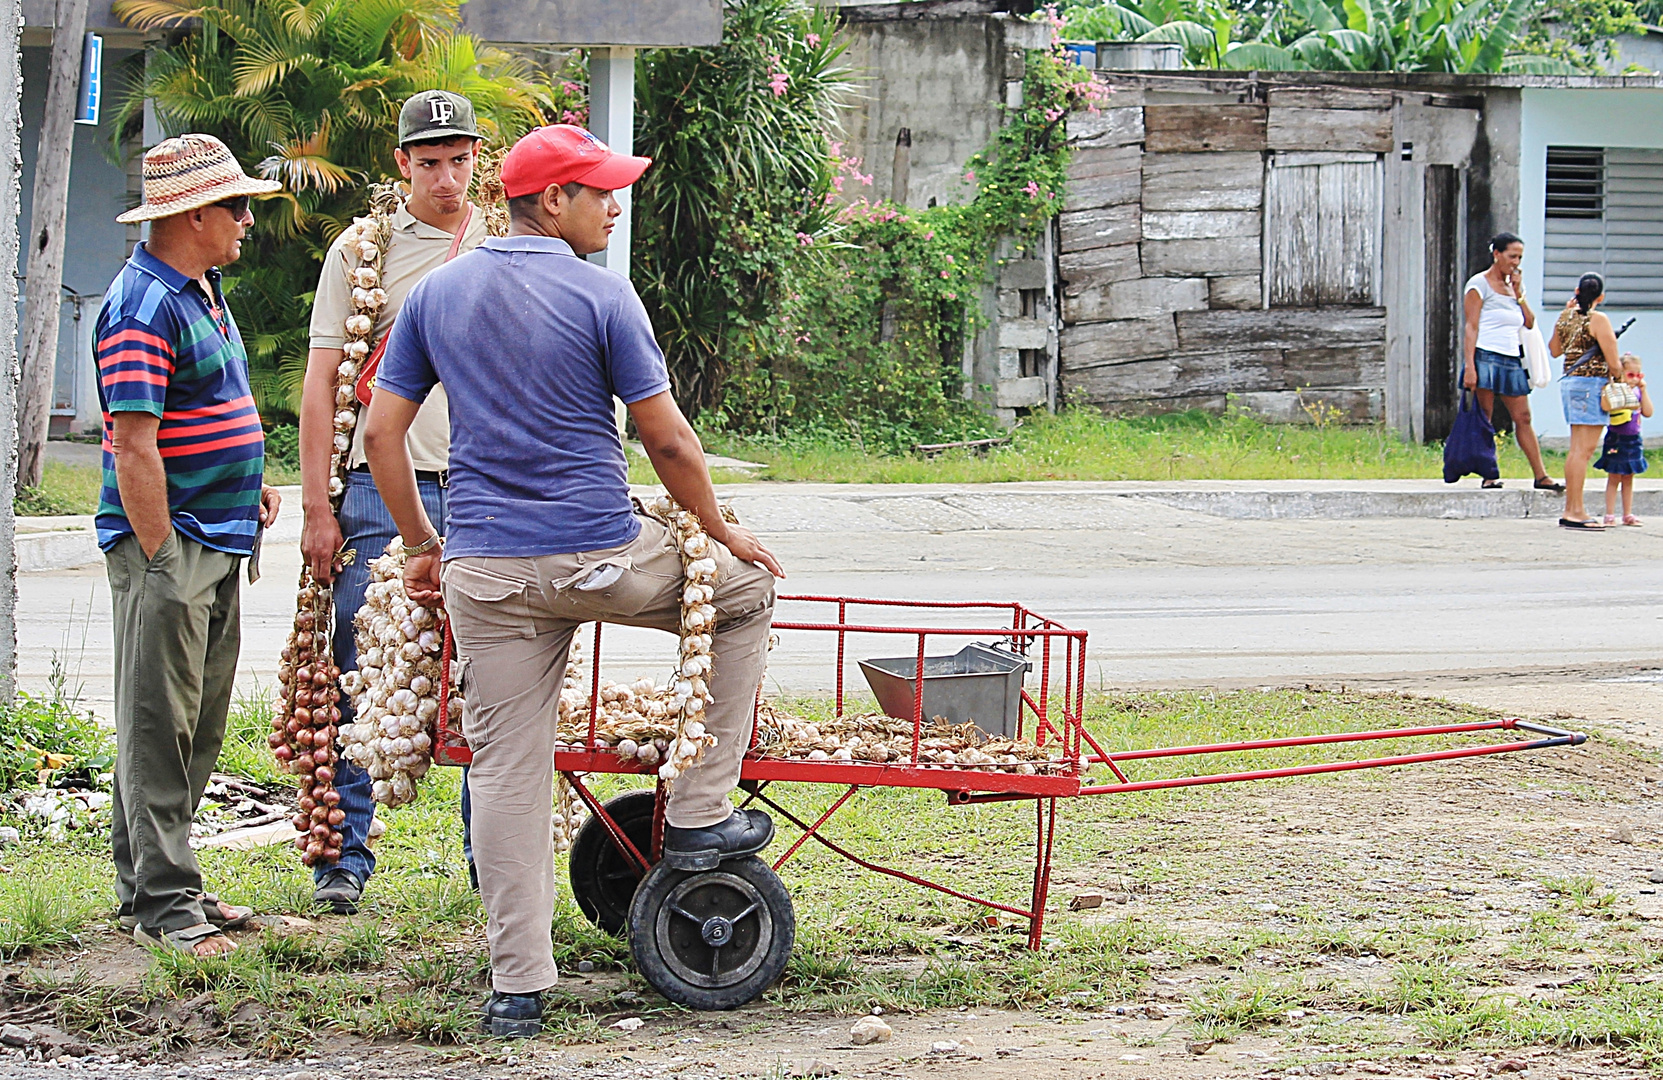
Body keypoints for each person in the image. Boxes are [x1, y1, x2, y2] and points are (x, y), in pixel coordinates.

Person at [362, 124, 785, 1037]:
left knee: (509, 769)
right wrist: (718, 528)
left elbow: (378, 438)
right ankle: (702, 812)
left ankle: (517, 987)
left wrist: (423, 545)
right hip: (599, 559)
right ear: (551, 201)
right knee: (746, 592)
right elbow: (667, 439)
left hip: (486, 574)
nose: (615, 205)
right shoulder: (603, 296)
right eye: (600, 191)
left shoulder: (435, 296)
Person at [299, 90, 490, 914]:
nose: (447, 178)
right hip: (382, 486)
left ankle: (493, 856)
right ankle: (342, 856)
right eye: (430, 162)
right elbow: (319, 383)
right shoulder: (360, 252)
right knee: (355, 660)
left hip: (484, 487)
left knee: (493, 667)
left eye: (460, 159)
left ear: (478, 158)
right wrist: (316, 505)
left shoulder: (509, 237)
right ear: (402, 164)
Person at [98, 134, 283, 956]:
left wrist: (254, 480)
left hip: (217, 531)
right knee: (157, 726)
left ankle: (154, 886)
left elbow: (212, 407)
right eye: (237, 206)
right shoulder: (143, 303)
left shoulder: (202, 289)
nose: (248, 220)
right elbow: (133, 443)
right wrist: (160, 552)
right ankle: (165, 907)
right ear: (193, 214)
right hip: (172, 546)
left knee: (191, 724)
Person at [1461, 232, 1563, 493]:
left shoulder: (1514, 286)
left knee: (1523, 416)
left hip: (1510, 358)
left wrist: (1518, 293)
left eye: (1519, 257)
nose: (1516, 262)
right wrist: (1470, 366)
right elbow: (1471, 327)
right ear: (1497, 254)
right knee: (1486, 416)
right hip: (1485, 354)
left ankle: (1540, 475)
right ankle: (1488, 473)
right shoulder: (1478, 284)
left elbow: (1529, 322)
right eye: (1511, 256)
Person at [1550, 272, 1622, 530]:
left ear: (1576, 291)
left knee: (1575, 448)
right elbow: (1614, 363)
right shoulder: (1599, 319)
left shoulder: (1565, 316)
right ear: (1600, 297)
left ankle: (1571, 507)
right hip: (1592, 384)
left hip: (1570, 383)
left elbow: (1555, 350)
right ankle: (1576, 510)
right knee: (1585, 450)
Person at [1596, 353, 1652, 526]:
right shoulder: (1614, 390)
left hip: (1634, 439)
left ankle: (1628, 513)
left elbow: (1648, 412)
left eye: (1638, 375)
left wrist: (1643, 390)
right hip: (1616, 438)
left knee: (1629, 477)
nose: (1635, 379)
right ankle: (1610, 514)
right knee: (1614, 477)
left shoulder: (1637, 392)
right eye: (1630, 375)